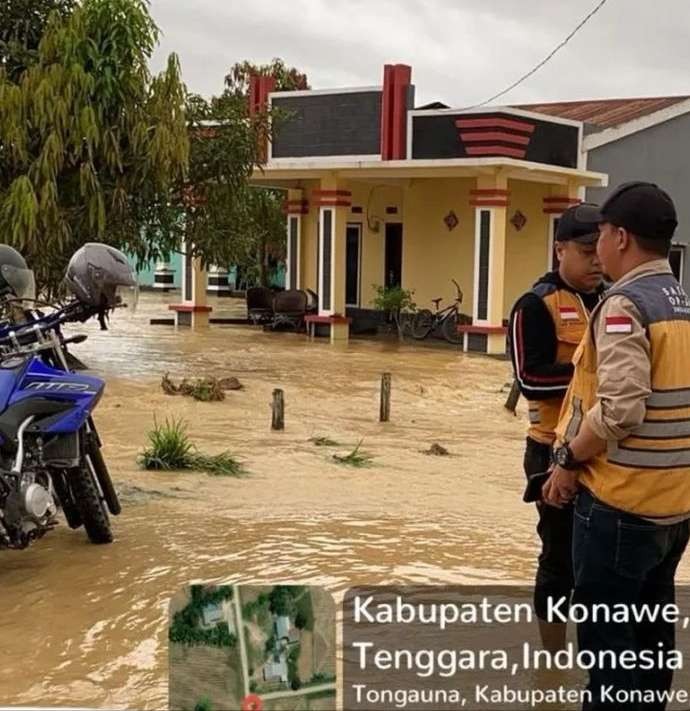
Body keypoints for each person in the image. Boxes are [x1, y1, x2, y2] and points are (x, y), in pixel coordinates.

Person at [545, 182, 690, 710]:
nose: (598, 243)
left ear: (621, 237)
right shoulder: (683, 303)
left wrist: (566, 459)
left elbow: (620, 409)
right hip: (673, 509)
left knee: (608, 661)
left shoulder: (625, 305)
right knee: (650, 650)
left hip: (621, 506)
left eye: (602, 233)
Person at [509, 204, 605, 653]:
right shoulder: (535, 305)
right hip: (551, 450)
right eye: (586, 252)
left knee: (600, 560)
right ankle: (551, 659)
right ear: (559, 249)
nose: (597, 262)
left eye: (601, 250)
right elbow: (530, 378)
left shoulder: (610, 302)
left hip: (601, 449)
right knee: (558, 559)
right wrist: (595, 377)